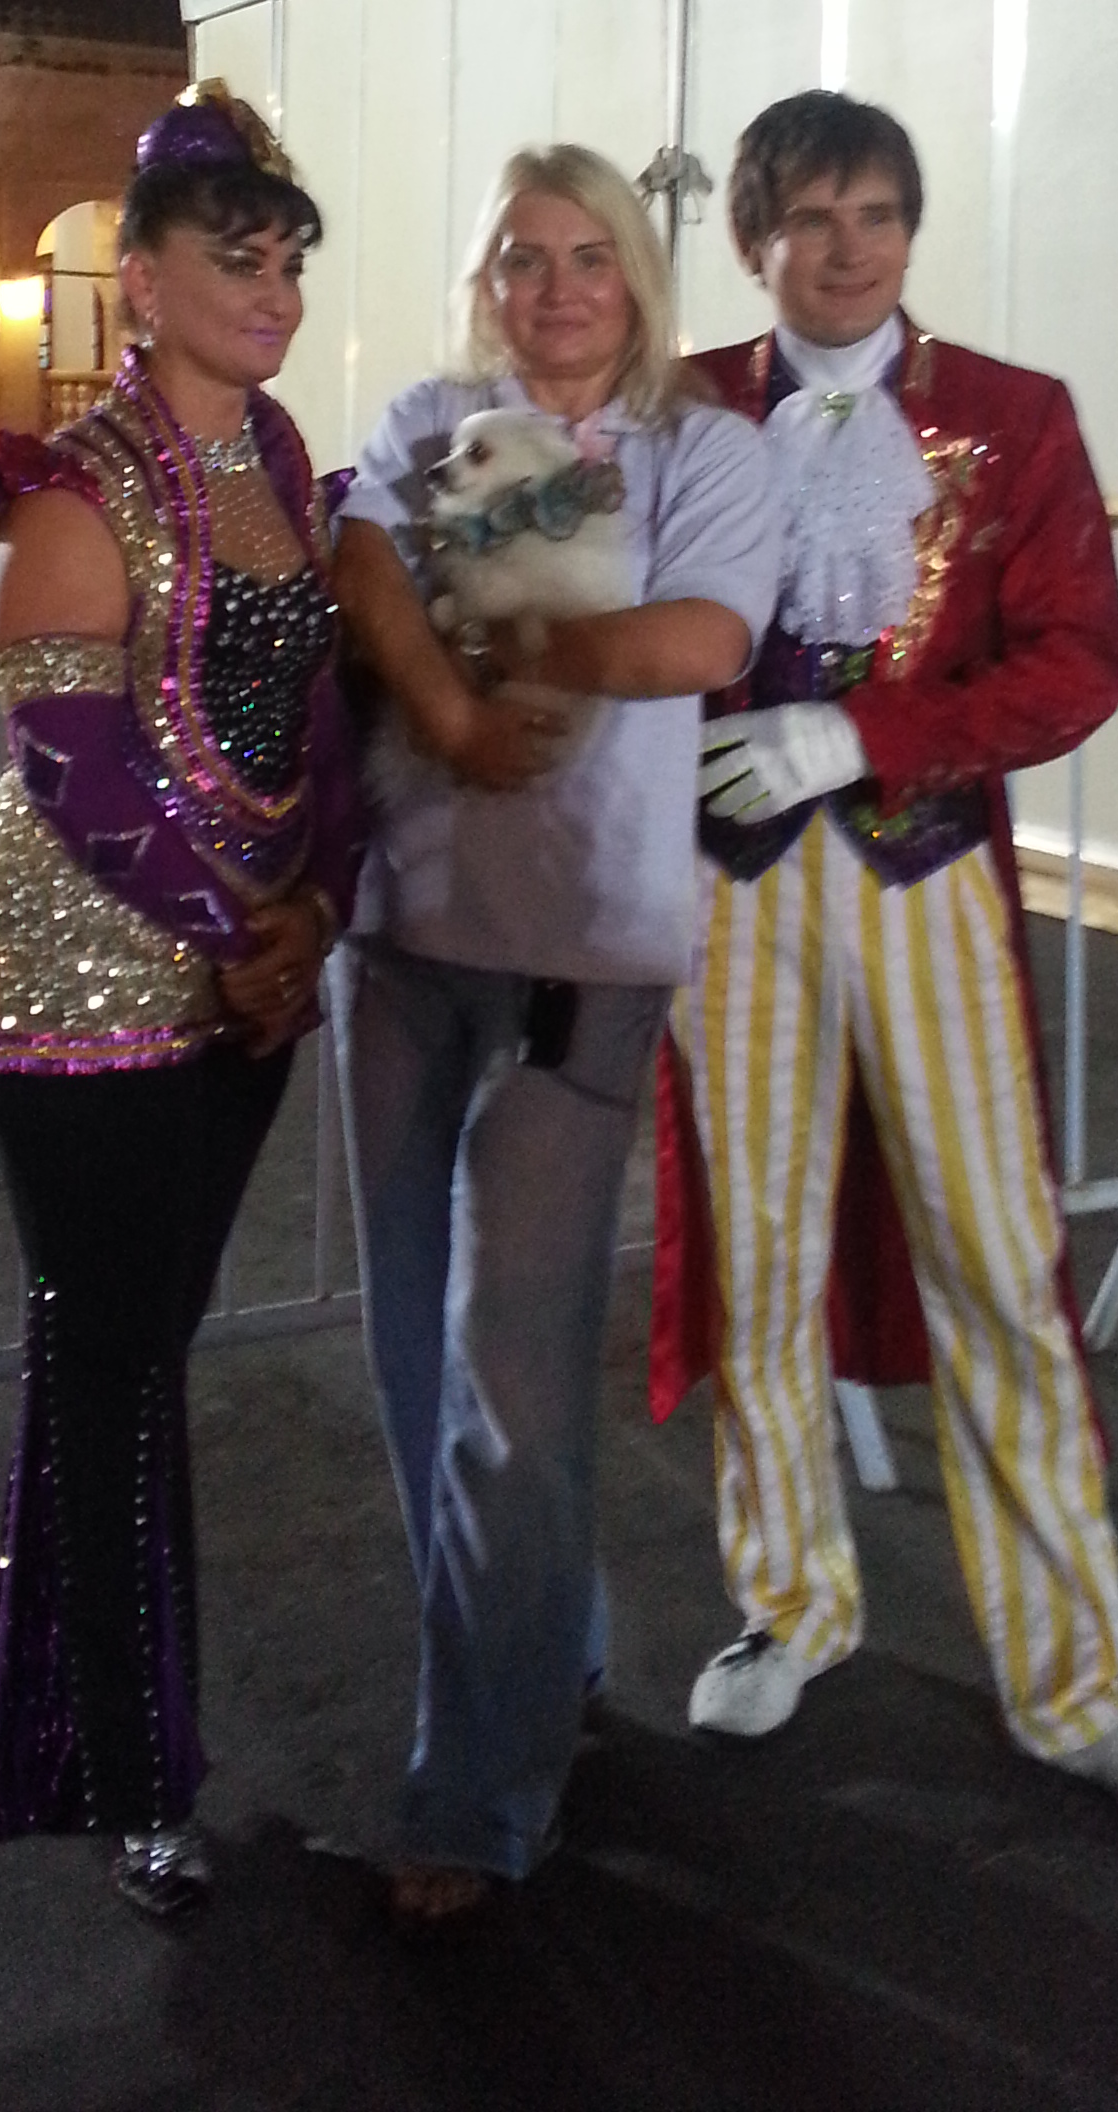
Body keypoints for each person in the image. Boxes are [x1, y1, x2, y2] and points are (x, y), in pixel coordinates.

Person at [652, 89, 1118, 1843]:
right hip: (728, 899)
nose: (849, 251)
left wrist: (864, 736)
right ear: (753, 237)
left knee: (1000, 1273)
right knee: (760, 1261)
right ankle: (791, 1599)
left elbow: (1077, 664)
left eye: (879, 215)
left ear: (912, 229)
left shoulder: (1013, 414)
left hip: (927, 889)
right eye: (812, 218)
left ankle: (1080, 1686)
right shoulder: (675, 409)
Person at [0, 84, 364, 1920]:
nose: (272, 291)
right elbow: (73, 763)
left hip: (240, 987)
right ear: (145, 281)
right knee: (113, 1364)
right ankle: (125, 1770)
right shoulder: (69, 488)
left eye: (289, 261)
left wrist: (311, 911)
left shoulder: (284, 466)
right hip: (77, 988)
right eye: (235, 258)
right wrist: (250, 931)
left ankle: (61, 1702)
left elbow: (322, 723)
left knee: (136, 1351)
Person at [333, 146, 780, 1928]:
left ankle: (479, 1792)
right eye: (525, 257)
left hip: (582, 959)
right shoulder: (425, 418)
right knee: (412, 1362)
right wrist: (450, 705)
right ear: (487, 281)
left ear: (640, 277)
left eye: (592, 254)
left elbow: (705, 636)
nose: (560, 287)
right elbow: (365, 558)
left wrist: (518, 642)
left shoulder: (705, 452)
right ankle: (547, 1649)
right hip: (405, 935)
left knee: (512, 1380)